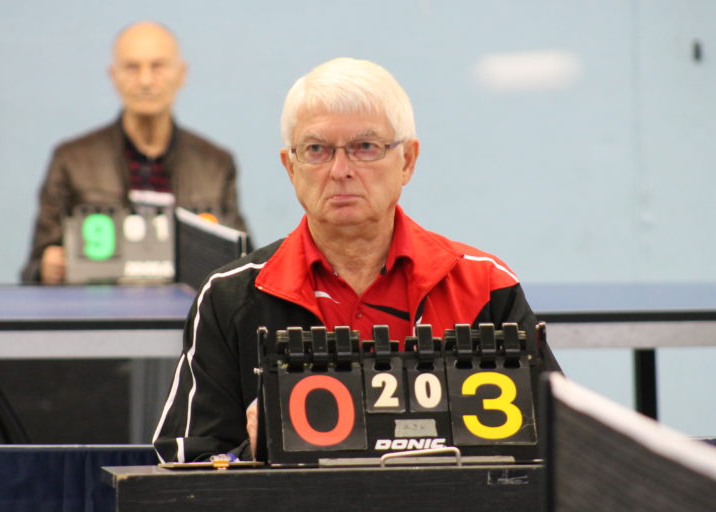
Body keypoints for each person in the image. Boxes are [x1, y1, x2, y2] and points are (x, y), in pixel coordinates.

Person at [152, 57, 557, 463]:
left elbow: (559, 450)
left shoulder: (485, 285)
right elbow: (184, 465)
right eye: (317, 149)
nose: (340, 170)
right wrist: (255, 453)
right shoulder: (229, 298)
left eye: (366, 147)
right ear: (290, 167)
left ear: (407, 161)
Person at [21, 21, 248, 283]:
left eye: (158, 66)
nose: (145, 81)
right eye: (132, 67)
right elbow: (33, 268)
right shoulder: (71, 161)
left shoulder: (215, 165)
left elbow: (244, 262)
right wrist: (45, 268)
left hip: (187, 307)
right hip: (100, 304)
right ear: (113, 75)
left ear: (181, 74)